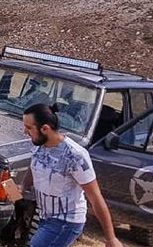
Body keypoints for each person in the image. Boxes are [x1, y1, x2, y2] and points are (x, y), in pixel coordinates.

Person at [19, 103, 123, 247]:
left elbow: (95, 197)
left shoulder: (75, 155)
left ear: (45, 129)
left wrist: (111, 238)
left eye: (29, 128)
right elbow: (35, 164)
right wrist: (23, 186)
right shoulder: (38, 145)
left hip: (66, 222)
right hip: (45, 216)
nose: (25, 131)